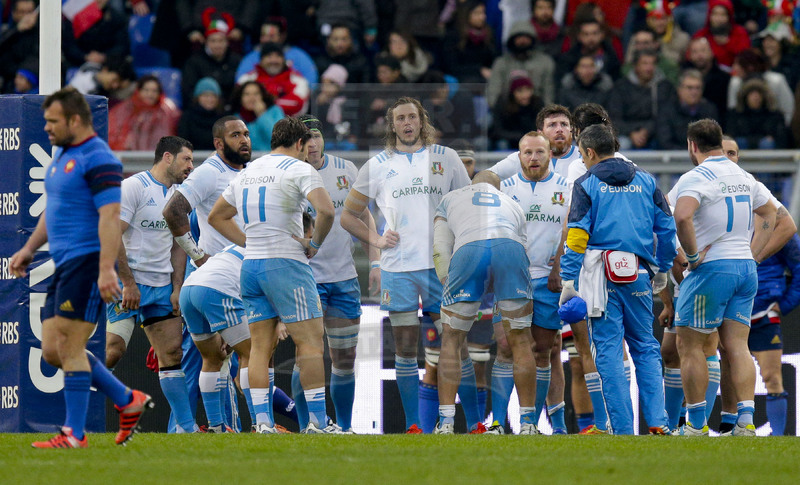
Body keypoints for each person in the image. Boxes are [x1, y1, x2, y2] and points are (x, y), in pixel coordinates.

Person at [10, 87, 152, 448]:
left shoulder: (99, 158)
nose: (46, 128)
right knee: (53, 351)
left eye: (53, 121)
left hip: (88, 263)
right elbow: (53, 209)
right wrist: (29, 247)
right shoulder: (62, 156)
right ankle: (126, 399)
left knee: (70, 346)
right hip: (65, 264)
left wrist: (108, 270)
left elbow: (110, 216)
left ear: (75, 120)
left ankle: (74, 434)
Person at [340, 97, 471, 433]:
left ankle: (455, 420)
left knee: (454, 344)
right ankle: (414, 424)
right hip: (397, 269)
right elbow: (347, 216)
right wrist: (378, 241)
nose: (407, 123)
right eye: (400, 118)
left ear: (422, 121)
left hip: (441, 268)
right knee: (405, 348)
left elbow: (467, 208)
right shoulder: (378, 165)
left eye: (412, 116)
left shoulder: (447, 158)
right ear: (392, 124)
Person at [208, 117, 337, 434]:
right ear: (300, 144)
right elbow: (328, 210)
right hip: (287, 263)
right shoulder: (299, 168)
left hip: (251, 267)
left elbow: (216, 217)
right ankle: (318, 423)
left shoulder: (248, 171)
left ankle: (262, 422)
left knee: (259, 350)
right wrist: (315, 244)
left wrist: (250, 241)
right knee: (310, 343)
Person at [559, 124, 676, 435]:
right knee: (646, 347)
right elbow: (666, 228)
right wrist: (663, 268)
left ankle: (622, 429)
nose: (582, 161)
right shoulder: (647, 180)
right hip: (639, 273)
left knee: (609, 350)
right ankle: (658, 423)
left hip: (602, 277)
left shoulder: (585, 183)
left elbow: (577, 236)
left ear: (590, 152)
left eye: (582, 155)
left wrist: (568, 279)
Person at [672, 119, 776, 436]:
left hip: (712, 269)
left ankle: (695, 424)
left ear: (693, 145)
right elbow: (772, 213)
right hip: (745, 267)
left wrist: (690, 257)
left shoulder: (696, 176)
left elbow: (681, 214)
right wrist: (753, 252)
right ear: (719, 141)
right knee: (738, 347)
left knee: (689, 345)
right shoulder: (743, 175)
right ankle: (746, 423)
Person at [162, 116, 251, 432]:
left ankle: (213, 427)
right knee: (227, 357)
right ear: (218, 143)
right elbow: (173, 210)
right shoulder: (209, 173)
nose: (244, 139)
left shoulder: (247, 173)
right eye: (235, 134)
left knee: (220, 359)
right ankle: (198, 427)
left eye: (246, 133)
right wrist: (198, 255)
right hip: (219, 279)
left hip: (241, 276)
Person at [432, 171, 537, 434]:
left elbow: (440, 247)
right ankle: (527, 423)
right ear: (498, 189)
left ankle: (445, 422)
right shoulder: (512, 203)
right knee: (521, 340)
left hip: (470, 248)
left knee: (452, 339)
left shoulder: (451, 198)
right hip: (510, 248)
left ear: (472, 186)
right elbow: (524, 250)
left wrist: (448, 280)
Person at [105, 136, 197, 433]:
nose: (190, 166)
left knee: (171, 355)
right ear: (167, 157)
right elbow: (113, 234)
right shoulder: (134, 187)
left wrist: (177, 287)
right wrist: (128, 282)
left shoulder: (180, 196)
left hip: (161, 287)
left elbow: (179, 245)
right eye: (186, 160)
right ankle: (77, 414)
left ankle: (186, 428)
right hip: (128, 285)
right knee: (113, 350)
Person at [297, 115, 380, 433]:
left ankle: (343, 429)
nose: (312, 143)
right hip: (306, 278)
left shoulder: (346, 169)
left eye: (316, 136)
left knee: (344, 360)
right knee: (310, 352)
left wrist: (375, 262)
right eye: (305, 138)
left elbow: (363, 217)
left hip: (343, 279)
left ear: (323, 140)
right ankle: (308, 425)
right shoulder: (291, 173)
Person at [493, 131, 571, 435]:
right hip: (513, 278)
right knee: (504, 347)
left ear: (550, 153)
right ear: (519, 155)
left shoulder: (567, 188)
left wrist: (558, 266)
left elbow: (571, 232)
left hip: (549, 280)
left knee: (542, 349)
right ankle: (498, 422)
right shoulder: (505, 189)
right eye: (527, 153)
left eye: (540, 152)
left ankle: (531, 423)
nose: (533, 158)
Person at [179, 244, 257, 432]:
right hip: (216, 289)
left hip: (189, 288)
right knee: (254, 354)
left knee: (212, 358)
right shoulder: (270, 251)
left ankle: (217, 426)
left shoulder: (237, 246)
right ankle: (260, 423)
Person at [488, 104, 580, 181]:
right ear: (540, 133)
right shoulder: (523, 158)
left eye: (564, 124)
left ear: (572, 130)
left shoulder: (583, 158)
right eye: (552, 125)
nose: (559, 129)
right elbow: (486, 176)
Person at [607, 49, 676, 149]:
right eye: (645, 63)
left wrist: (647, 131)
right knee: (622, 144)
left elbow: (667, 115)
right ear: (635, 66)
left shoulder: (664, 87)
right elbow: (614, 117)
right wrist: (631, 133)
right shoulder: (621, 87)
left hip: (656, 131)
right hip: (627, 132)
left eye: (652, 64)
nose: (649, 68)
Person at [487, 21, 555, 108]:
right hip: (508, 111)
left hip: (536, 111)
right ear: (512, 40)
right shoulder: (501, 63)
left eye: (526, 37)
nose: (523, 40)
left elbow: (548, 93)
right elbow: (493, 92)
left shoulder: (545, 62)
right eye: (519, 37)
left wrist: (546, 115)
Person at [180, 11, 242, 107]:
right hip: (201, 109)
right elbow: (188, 91)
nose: (217, 45)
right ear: (206, 42)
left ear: (227, 42)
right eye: (213, 41)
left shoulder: (237, 61)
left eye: (221, 40)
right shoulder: (194, 62)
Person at [108, 75, 181, 151]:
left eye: (154, 91)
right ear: (138, 91)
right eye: (146, 90)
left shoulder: (168, 111)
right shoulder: (124, 109)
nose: (150, 94)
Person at [237, 43, 310, 117]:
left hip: (289, 125)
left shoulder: (298, 80)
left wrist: (265, 104)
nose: (273, 60)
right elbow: (238, 104)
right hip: (250, 124)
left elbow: (296, 105)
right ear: (261, 60)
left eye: (278, 56)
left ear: (284, 60)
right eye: (269, 56)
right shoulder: (247, 78)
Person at [656, 69, 718, 149]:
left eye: (698, 88)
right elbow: (665, 142)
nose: (694, 92)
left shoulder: (710, 110)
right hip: (675, 158)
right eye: (690, 88)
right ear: (679, 90)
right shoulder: (666, 111)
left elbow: (714, 140)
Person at [691, 0, 750, 70]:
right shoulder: (701, 35)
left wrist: (728, 44)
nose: (718, 19)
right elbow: (690, 56)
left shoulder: (740, 33)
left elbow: (746, 57)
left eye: (723, 15)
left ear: (729, 17)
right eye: (715, 14)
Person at [490, 76, 544, 150]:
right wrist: (519, 137)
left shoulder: (537, 103)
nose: (525, 95)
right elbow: (498, 130)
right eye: (520, 91)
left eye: (528, 90)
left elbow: (540, 128)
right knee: (502, 144)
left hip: (530, 140)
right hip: (507, 139)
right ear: (513, 92)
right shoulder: (503, 104)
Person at [230, 81, 285, 152]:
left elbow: (279, 138)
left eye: (256, 94)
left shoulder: (274, 111)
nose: (252, 98)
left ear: (262, 96)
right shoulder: (235, 119)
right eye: (247, 94)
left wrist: (262, 115)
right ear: (240, 98)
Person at [178, 77, 225, 151]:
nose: (209, 99)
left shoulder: (224, 119)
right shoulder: (187, 117)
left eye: (213, 96)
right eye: (205, 95)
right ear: (198, 97)